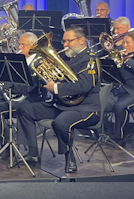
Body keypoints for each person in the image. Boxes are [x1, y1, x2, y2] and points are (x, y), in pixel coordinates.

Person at [16, 26, 100, 173]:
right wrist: (45, 74)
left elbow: (84, 86)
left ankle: (69, 158)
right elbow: (58, 79)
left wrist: (56, 88)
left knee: (61, 122)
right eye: (64, 41)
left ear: (81, 40)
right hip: (63, 105)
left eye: (69, 41)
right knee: (25, 109)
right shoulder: (66, 58)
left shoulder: (91, 59)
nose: (65, 44)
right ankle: (33, 153)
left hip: (85, 109)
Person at [0, 32, 46, 156]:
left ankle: (7, 146)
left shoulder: (38, 63)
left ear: (33, 45)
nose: (19, 47)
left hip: (31, 100)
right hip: (15, 97)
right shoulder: (19, 61)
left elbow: (27, 88)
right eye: (20, 44)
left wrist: (6, 83)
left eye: (23, 45)